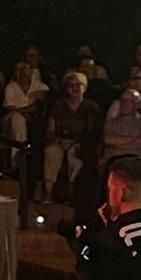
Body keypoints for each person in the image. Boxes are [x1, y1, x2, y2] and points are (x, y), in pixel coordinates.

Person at [42, 72, 101, 201]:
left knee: (75, 155)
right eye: (71, 85)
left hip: (80, 142)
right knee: (51, 152)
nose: (74, 88)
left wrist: (73, 142)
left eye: (78, 85)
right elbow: (50, 130)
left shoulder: (91, 107)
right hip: (59, 140)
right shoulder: (58, 106)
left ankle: (72, 193)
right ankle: (48, 193)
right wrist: (59, 140)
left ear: (84, 87)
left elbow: (91, 132)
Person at [102, 88, 141, 162]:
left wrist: (118, 145)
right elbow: (107, 139)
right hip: (114, 160)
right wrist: (135, 139)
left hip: (139, 160)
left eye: (129, 101)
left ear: (138, 105)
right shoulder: (111, 122)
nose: (124, 104)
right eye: (123, 100)